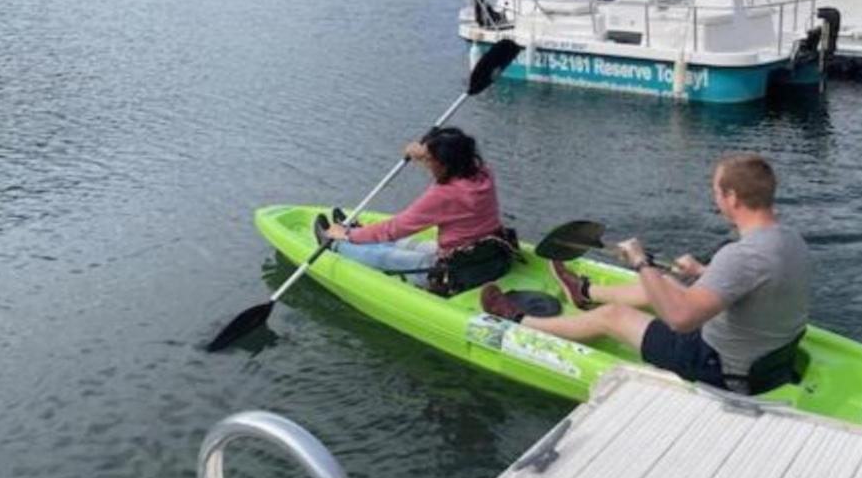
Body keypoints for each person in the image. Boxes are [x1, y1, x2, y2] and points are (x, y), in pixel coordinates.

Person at [481, 153, 810, 393]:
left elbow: (681, 319)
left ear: (732, 197)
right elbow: (753, 280)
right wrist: (702, 271)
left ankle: (518, 319)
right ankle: (584, 292)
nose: (715, 198)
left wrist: (640, 262)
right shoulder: (789, 238)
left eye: (716, 192)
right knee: (667, 281)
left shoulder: (739, 256)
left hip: (719, 365)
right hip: (764, 355)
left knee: (613, 316)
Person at [318, 127, 505, 286]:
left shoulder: (445, 194)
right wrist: (422, 152)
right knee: (412, 245)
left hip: (457, 271)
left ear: (445, 164)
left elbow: (395, 229)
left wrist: (349, 236)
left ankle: (337, 244)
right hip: (488, 254)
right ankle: (360, 232)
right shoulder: (483, 172)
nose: (427, 164)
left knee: (387, 256)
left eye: (429, 159)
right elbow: (453, 150)